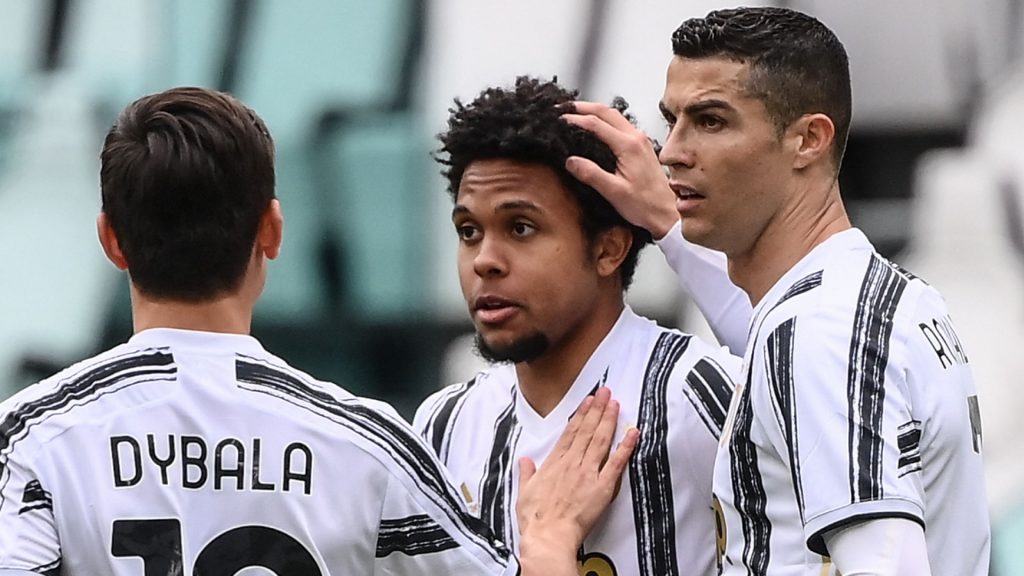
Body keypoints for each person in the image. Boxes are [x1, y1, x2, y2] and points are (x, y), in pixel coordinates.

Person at [0, 86, 637, 576]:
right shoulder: (368, 444)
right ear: (272, 231)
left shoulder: (31, 437)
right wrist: (548, 538)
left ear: (111, 240)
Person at [561, 7, 991, 575]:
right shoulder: (877, 297)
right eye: (672, 120)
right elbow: (774, 346)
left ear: (809, 139)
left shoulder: (818, 330)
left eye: (710, 121)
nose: (671, 152)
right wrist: (669, 224)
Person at [414, 76, 739, 576]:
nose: (484, 260)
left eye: (520, 227)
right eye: (469, 231)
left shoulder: (697, 393)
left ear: (608, 249)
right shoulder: (443, 426)